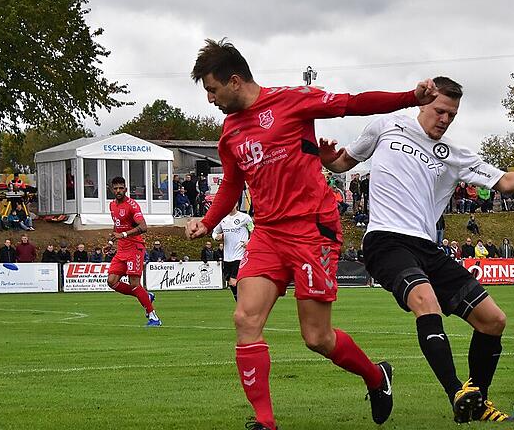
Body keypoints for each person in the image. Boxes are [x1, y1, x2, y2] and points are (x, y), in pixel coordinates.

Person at [183, 39, 429, 430]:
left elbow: (352, 102)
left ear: (234, 81)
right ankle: (266, 422)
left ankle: (376, 376)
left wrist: (408, 98)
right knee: (245, 318)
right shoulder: (230, 133)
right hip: (266, 233)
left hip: (311, 229)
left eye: (212, 90)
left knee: (316, 337)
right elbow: (232, 183)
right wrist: (208, 221)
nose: (210, 99)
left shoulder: (293, 101)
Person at [321, 76, 514, 423]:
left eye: (451, 115)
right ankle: (456, 390)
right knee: (426, 301)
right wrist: (327, 159)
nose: (444, 119)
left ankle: (476, 401)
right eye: (440, 110)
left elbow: (505, 182)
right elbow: (343, 163)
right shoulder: (386, 125)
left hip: (427, 246)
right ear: (423, 102)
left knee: (493, 320)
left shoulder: (455, 154)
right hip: (385, 240)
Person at [107, 176, 161, 327]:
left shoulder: (132, 205)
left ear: (125, 189)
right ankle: (145, 296)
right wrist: (111, 242)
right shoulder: (112, 205)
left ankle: (153, 317)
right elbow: (117, 226)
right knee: (111, 282)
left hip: (134, 248)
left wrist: (123, 235)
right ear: (112, 189)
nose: (118, 190)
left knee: (134, 283)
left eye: (121, 188)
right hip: (121, 249)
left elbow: (143, 227)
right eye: (115, 188)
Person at [213, 205, 254, 301]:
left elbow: (254, 231)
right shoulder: (223, 219)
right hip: (227, 256)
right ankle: (245, 301)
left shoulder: (245, 218)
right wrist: (216, 237)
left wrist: (249, 241)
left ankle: (242, 304)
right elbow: (214, 232)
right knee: (231, 281)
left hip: (240, 255)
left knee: (233, 281)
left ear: (236, 204)